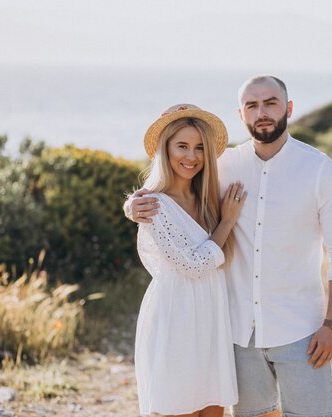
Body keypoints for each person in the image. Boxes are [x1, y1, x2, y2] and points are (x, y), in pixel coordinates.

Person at [126, 76, 332, 417]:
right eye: (252, 105)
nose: (261, 112)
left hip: (300, 330)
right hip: (237, 336)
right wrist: (133, 205)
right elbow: (172, 189)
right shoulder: (225, 167)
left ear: (288, 108)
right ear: (241, 115)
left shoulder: (321, 170)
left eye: (271, 103)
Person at [133, 104, 247, 417]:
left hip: (211, 316)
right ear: (164, 149)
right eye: (182, 146)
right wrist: (227, 222)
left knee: (214, 409)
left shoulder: (208, 198)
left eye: (199, 148)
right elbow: (194, 266)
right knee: (179, 406)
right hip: (176, 316)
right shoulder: (152, 204)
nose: (191, 156)